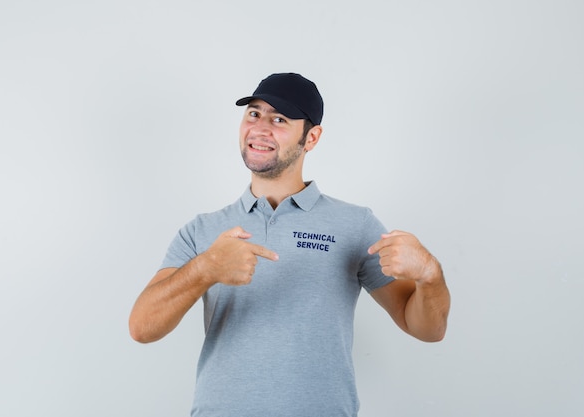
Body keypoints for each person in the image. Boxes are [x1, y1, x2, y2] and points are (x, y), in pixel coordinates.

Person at [129, 72, 451, 417]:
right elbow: (142, 328)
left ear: (311, 138)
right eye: (254, 113)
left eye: (279, 119)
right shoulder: (203, 230)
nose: (261, 128)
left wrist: (430, 275)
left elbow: (427, 329)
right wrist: (205, 269)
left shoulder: (355, 225)